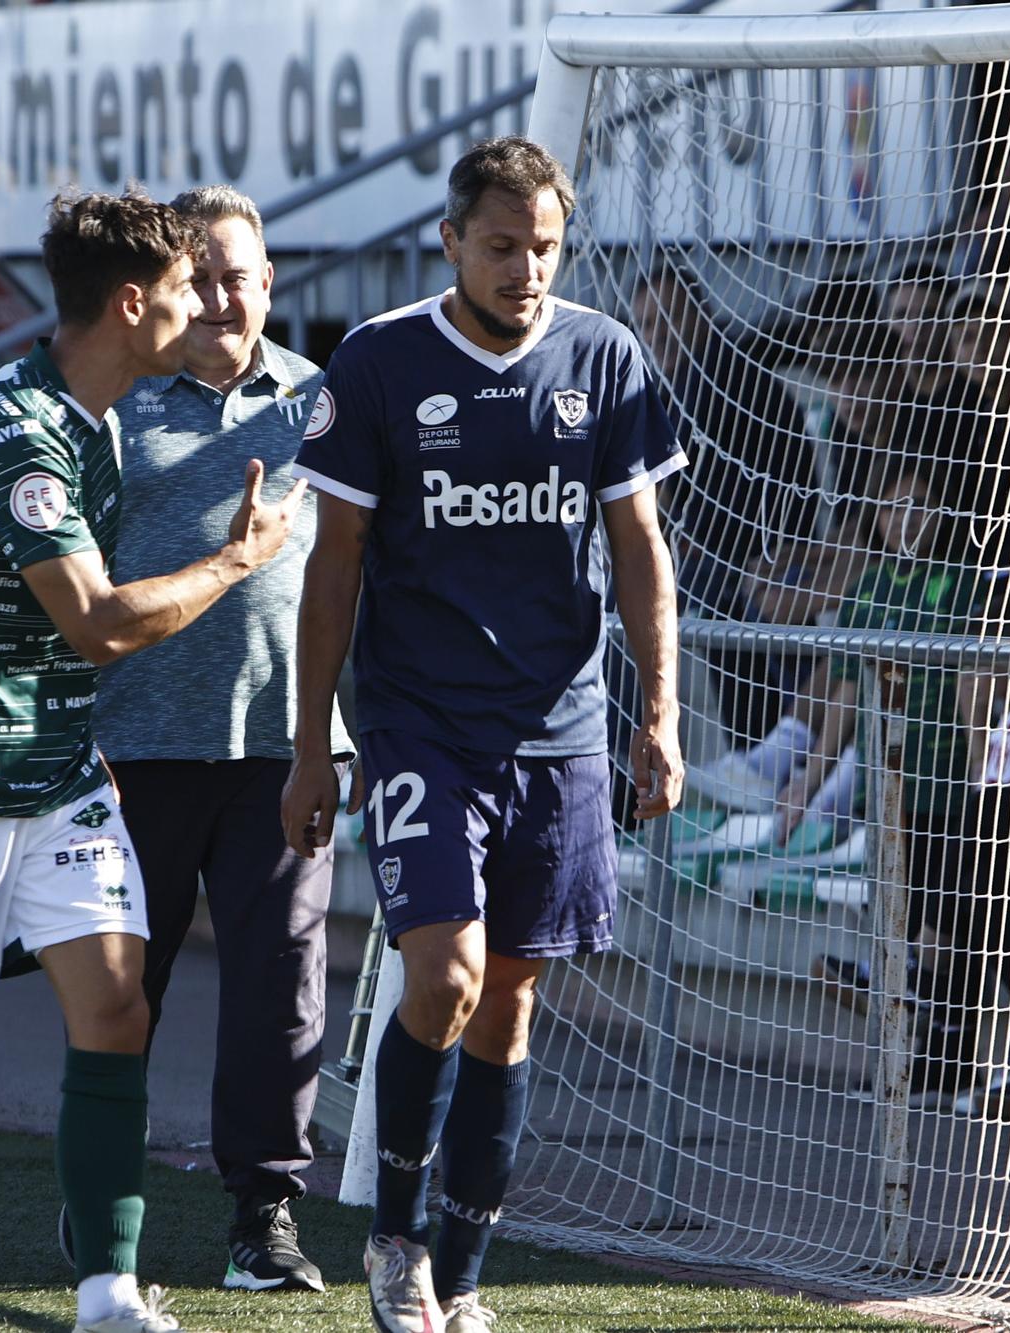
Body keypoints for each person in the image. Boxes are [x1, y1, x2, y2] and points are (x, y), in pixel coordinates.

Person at [0, 188, 308, 1333]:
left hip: (61, 773)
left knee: (113, 1006)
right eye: (186, 289)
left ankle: (106, 1290)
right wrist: (234, 564)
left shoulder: (101, 413)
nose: (203, 307)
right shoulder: (19, 432)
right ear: (133, 302)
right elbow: (94, 621)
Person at [281, 135, 686, 1333]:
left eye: (544, 247)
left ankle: (460, 1278)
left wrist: (653, 711)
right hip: (422, 727)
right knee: (442, 978)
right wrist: (316, 739)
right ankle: (394, 1238)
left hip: (558, 731)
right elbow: (333, 566)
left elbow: (638, 547)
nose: (525, 269)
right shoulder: (378, 363)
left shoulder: (603, 357)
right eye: (501, 245)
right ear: (451, 240)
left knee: (506, 1005)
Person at [89, 184, 349, 1296]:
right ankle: (97, 1205)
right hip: (127, 753)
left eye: (240, 274)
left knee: (279, 982)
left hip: (282, 753)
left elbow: (357, 567)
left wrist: (334, 736)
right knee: (113, 987)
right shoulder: (111, 405)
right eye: (201, 277)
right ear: (167, 289)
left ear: (270, 281)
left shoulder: (323, 404)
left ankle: (265, 1217)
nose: (223, 296)